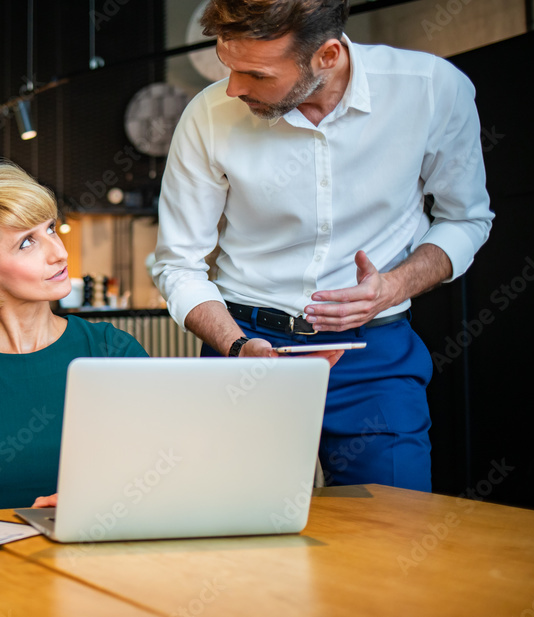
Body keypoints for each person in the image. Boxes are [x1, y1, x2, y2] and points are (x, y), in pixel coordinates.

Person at [153, 0, 493, 491]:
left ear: (327, 55)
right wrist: (238, 345)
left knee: (393, 535)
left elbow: (465, 219)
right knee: (234, 533)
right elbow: (178, 265)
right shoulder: (209, 115)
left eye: (257, 74)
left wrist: (393, 286)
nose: (233, 89)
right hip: (246, 343)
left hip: (372, 350)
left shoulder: (433, 91)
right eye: (229, 67)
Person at [0, 162, 148, 514]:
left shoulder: (112, 350)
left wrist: (98, 501)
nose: (59, 253)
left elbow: (160, 462)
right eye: (27, 243)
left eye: (51, 228)